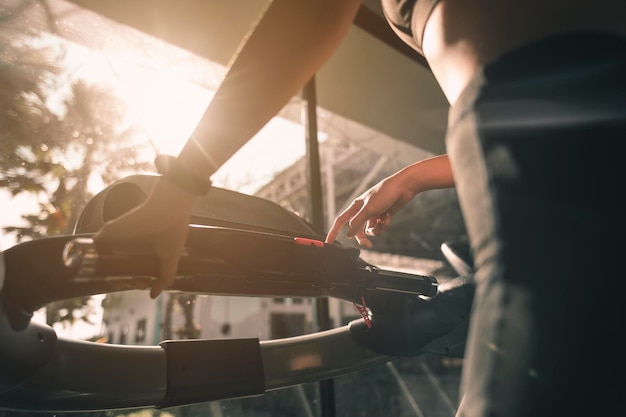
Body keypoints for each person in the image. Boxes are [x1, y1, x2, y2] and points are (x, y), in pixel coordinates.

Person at [94, 0, 626, 415]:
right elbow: (574, 116)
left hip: (543, 113)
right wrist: (414, 176)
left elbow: (309, 15)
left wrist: (181, 185)